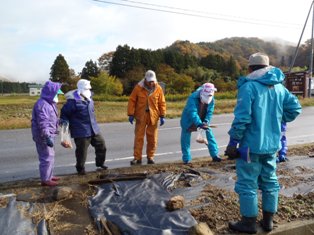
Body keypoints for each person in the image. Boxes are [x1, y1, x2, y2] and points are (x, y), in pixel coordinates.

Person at [225, 52, 302, 233]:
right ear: (267, 67)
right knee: (270, 181)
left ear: (250, 68)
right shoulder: (279, 88)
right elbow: (295, 109)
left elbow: (242, 119)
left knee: (247, 182)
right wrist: (276, 119)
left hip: (250, 147)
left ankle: (249, 222)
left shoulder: (249, 87)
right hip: (272, 146)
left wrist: (233, 141)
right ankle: (268, 222)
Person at [60, 79, 107, 175]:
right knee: (82, 152)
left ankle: (100, 163)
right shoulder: (73, 101)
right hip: (80, 131)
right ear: (80, 89)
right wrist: (64, 122)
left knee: (101, 145)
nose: (88, 91)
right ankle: (80, 168)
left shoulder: (89, 97)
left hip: (94, 129)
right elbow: (64, 113)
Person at [127, 70, 166, 165]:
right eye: (149, 81)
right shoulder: (138, 88)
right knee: (139, 138)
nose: (151, 83)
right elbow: (132, 100)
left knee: (152, 138)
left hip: (154, 116)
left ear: (155, 80)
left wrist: (162, 115)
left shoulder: (158, 88)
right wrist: (131, 114)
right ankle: (137, 158)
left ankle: (150, 157)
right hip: (141, 116)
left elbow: (162, 102)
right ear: (145, 79)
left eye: (152, 81)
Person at [31, 80, 63, 186]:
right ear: (51, 93)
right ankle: (45, 179)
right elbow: (43, 122)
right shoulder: (42, 105)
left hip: (49, 133)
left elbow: (51, 119)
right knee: (47, 156)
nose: (58, 96)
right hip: (43, 135)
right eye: (57, 94)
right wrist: (47, 136)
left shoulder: (50, 103)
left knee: (50, 155)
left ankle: (49, 175)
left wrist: (59, 121)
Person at [180, 83, 221, 164]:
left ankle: (215, 155)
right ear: (202, 93)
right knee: (185, 139)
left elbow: (210, 112)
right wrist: (199, 123)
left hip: (202, 119)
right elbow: (192, 112)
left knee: (209, 134)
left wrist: (206, 121)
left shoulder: (211, 99)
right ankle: (186, 158)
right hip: (189, 120)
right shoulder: (192, 98)